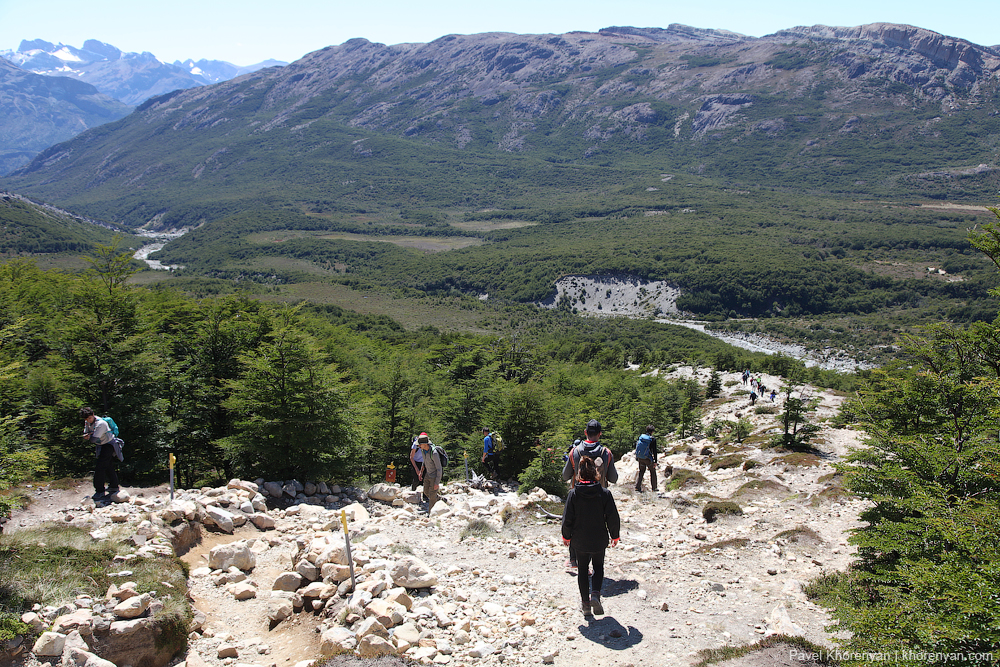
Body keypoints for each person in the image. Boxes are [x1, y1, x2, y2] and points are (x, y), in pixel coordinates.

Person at [562, 455, 620, 617]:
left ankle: (585, 604)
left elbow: (567, 518)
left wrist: (566, 536)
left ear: (579, 474)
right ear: (596, 473)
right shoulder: (604, 493)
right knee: (598, 567)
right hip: (599, 538)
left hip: (579, 539)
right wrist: (615, 535)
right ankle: (595, 594)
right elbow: (613, 517)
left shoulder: (573, 494)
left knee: (582, 570)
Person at [561, 420, 618, 572]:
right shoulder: (606, 453)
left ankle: (574, 560)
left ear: (585, 432)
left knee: (574, 523)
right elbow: (613, 478)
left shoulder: (575, 452)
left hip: (578, 494)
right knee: (598, 526)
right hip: (600, 497)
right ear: (600, 434)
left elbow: (565, 475)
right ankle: (595, 563)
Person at [81, 407, 118, 500]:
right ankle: (114, 486)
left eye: (89, 418)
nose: (88, 420)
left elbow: (93, 439)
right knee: (108, 465)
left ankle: (100, 491)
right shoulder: (87, 422)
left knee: (100, 467)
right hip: (102, 444)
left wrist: (88, 436)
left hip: (109, 444)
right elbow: (87, 432)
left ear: (93, 414)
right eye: (86, 419)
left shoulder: (100, 424)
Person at [416, 432, 442, 514]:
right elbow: (425, 462)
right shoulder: (423, 451)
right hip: (428, 474)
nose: (419, 446)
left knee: (432, 497)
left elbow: (439, 468)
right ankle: (439, 499)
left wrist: (437, 483)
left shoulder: (434, 453)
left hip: (434, 475)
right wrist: (421, 471)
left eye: (420, 444)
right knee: (426, 492)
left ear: (425, 444)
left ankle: (431, 514)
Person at [634, 424, 658, 492]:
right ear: (652, 431)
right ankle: (654, 488)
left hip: (640, 458)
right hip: (648, 458)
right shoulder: (652, 439)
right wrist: (655, 461)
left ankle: (637, 487)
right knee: (652, 472)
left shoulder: (641, 437)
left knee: (641, 471)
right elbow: (654, 451)